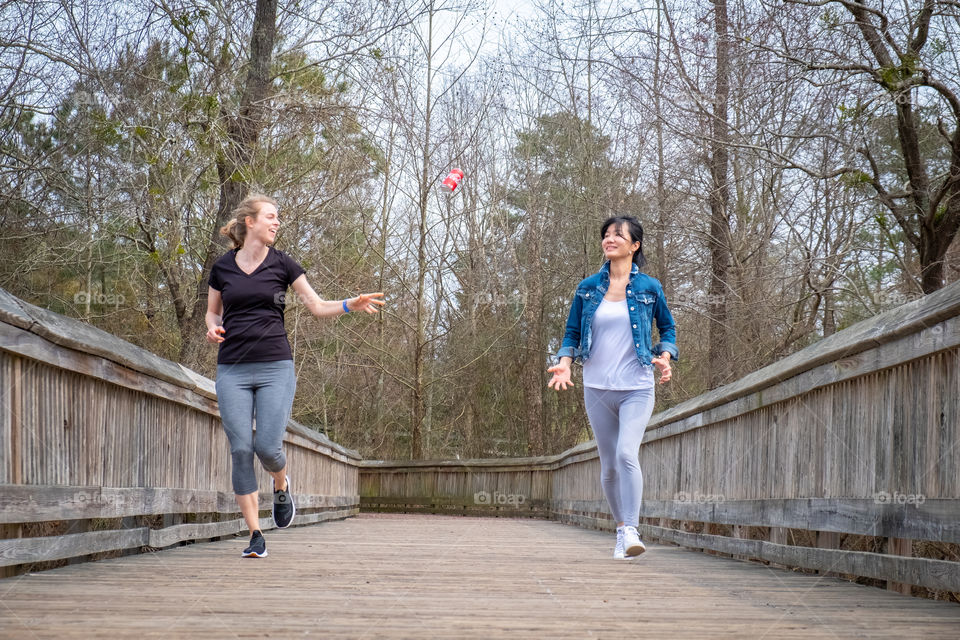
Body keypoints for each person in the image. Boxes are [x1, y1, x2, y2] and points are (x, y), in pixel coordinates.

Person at [206, 193, 385, 558]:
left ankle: (282, 483)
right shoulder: (222, 268)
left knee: (267, 447)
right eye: (271, 217)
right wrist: (212, 328)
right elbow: (212, 313)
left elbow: (317, 306)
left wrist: (352, 303)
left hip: (275, 366)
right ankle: (256, 534)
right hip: (232, 369)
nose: (277, 223)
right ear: (250, 222)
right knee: (241, 450)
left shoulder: (283, 264)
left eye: (278, 218)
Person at [547, 215, 677, 560]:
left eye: (618, 235)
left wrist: (665, 355)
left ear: (634, 245)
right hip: (597, 388)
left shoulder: (650, 287)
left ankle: (632, 528)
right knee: (608, 466)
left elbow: (668, 329)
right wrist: (564, 362)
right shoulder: (587, 287)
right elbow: (572, 333)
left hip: (636, 385)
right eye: (606, 234)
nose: (610, 239)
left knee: (626, 454)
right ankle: (621, 530)